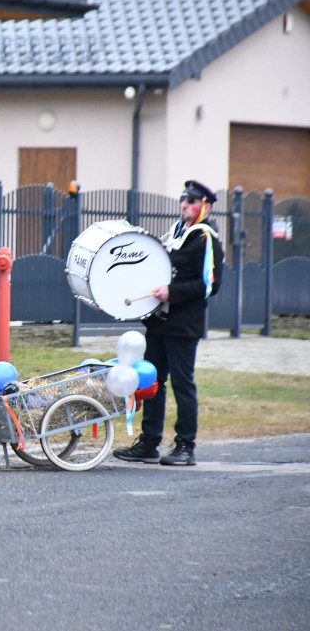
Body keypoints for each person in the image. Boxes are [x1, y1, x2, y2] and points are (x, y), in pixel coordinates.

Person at [113, 179, 224, 466]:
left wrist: (171, 292)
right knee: (152, 381)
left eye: (191, 201)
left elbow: (209, 284)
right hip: (160, 321)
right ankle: (149, 443)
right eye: (183, 201)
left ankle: (186, 446)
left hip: (184, 324)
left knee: (183, 384)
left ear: (206, 207)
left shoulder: (205, 238)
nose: (185, 205)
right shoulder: (175, 233)